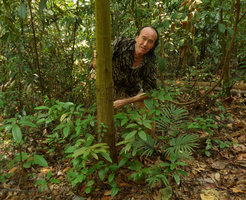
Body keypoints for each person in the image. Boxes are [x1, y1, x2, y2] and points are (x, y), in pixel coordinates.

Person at [93, 25, 159, 109]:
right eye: (143, 38)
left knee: (149, 107)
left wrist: (125, 102)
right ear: (137, 37)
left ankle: (140, 120)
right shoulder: (121, 44)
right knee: (106, 111)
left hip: (132, 89)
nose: (145, 44)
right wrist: (96, 58)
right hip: (110, 83)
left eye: (150, 41)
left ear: (153, 45)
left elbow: (149, 91)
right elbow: (98, 65)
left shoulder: (151, 61)